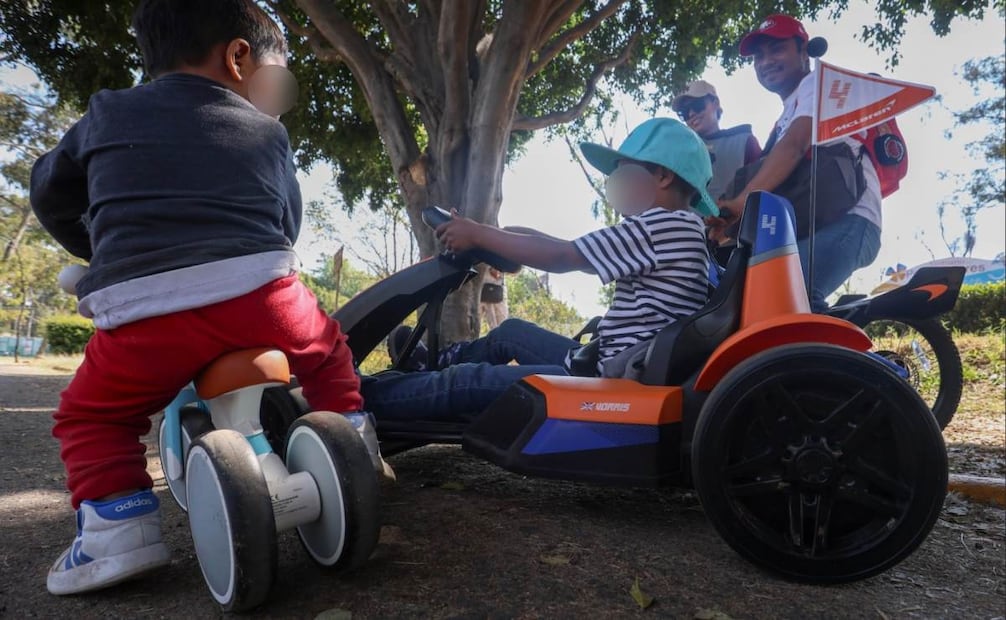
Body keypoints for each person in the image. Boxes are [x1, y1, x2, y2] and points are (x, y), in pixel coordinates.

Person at [29, 0, 390, 596]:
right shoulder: (268, 132)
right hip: (262, 292)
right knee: (326, 352)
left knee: (93, 415)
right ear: (239, 57)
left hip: (147, 309)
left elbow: (51, 194)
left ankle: (118, 532)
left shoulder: (105, 113)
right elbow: (286, 222)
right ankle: (355, 441)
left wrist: (106, 251)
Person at [393, 118, 715, 379]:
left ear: (662, 175)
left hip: (610, 376)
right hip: (603, 362)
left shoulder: (660, 225)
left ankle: (380, 398)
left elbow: (564, 257)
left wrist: (478, 235)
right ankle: (436, 364)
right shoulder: (681, 228)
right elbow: (567, 249)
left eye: (625, 172)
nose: (619, 183)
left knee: (471, 381)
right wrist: (490, 234)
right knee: (511, 333)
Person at [711, 14, 882, 311]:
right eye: (758, 56)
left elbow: (794, 147)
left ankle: (840, 358)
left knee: (784, 301)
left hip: (851, 220)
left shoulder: (819, 83)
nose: (766, 62)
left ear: (804, 52)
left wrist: (740, 202)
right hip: (819, 225)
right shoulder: (784, 118)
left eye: (776, 49)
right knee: (753, 302)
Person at [671, 80, 762, 201]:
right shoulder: (677, 151)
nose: (691, 114)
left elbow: (763, 185)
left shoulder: (744, 141)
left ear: (715, 103)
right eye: (684, 112)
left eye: (697, 105)